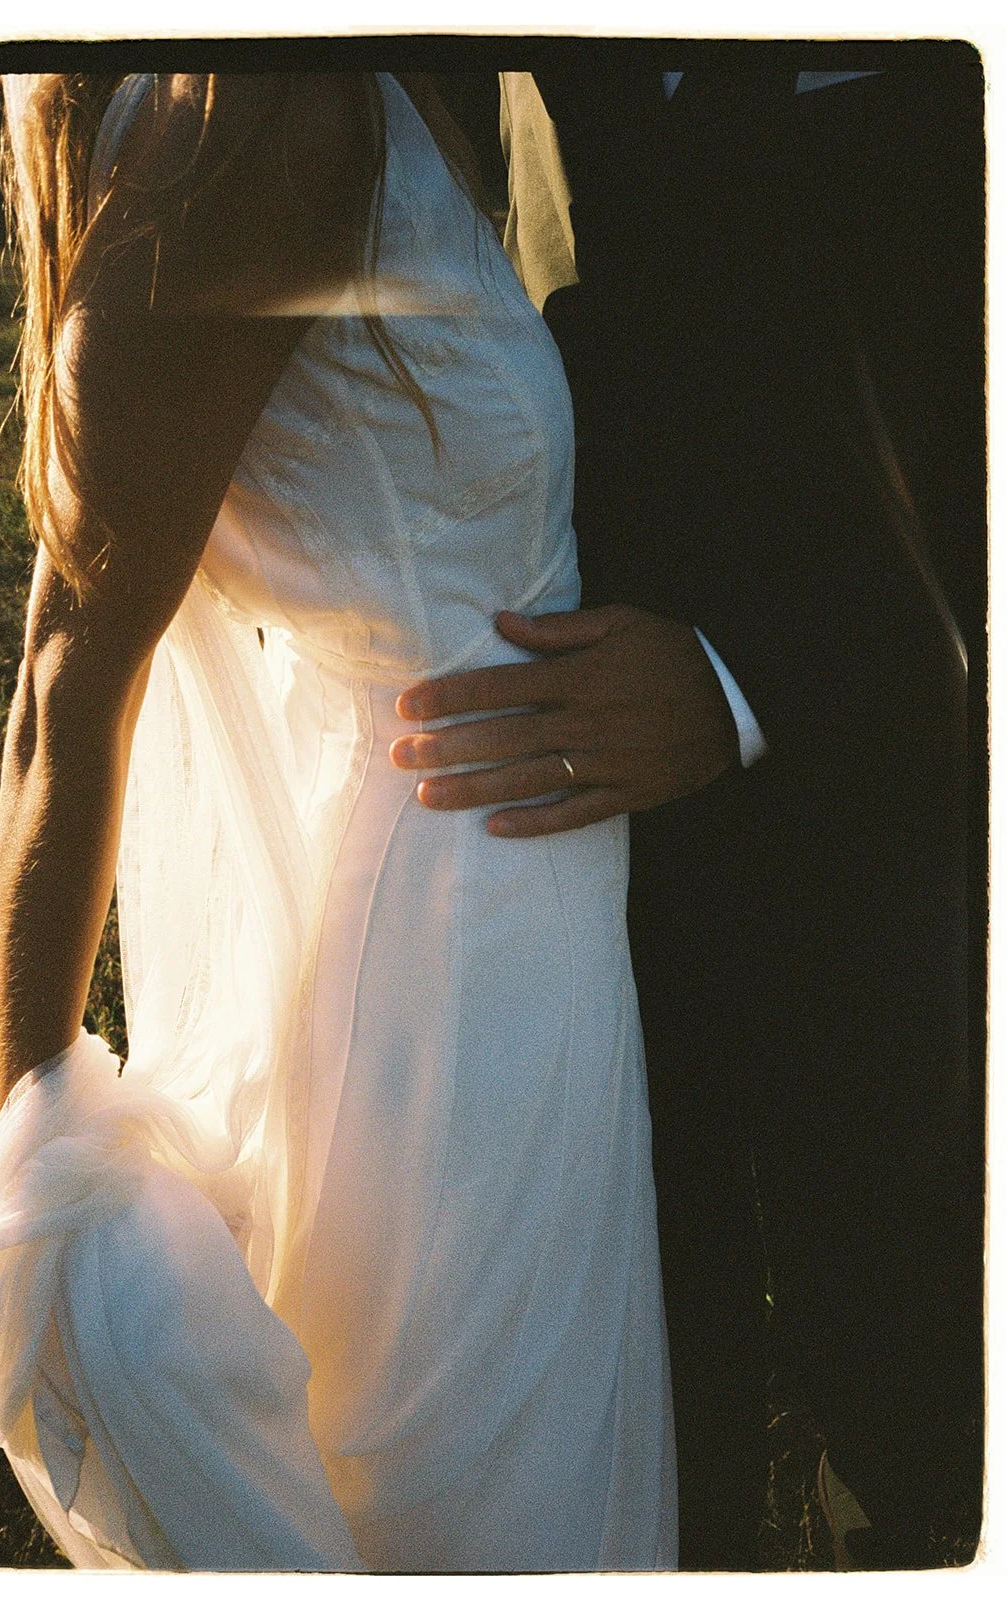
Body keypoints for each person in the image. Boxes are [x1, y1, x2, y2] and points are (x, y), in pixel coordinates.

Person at [0, 70, 677, 1572]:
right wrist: (30, 1160)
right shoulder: (265, 114)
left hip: (519, 943)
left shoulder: (405, 77)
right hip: (442, 1000)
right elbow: (68, 668)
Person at [395, 53, 984, 1570]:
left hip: (895, 825)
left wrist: (747, 683)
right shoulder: (499, 50)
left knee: (923, 1413)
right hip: (563, 859)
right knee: (649, 1410)